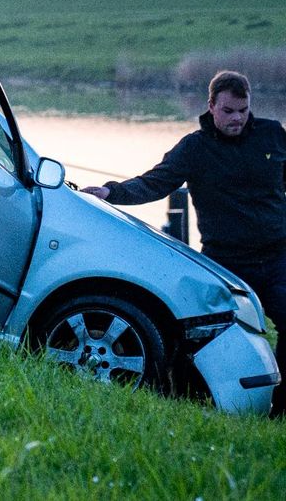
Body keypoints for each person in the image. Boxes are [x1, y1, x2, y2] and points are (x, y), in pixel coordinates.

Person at [83, 71, 286, 417]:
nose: (237, 118)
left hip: (278, 256)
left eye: (243, 109)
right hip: (226, 263)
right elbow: (155, 182)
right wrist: (110, 192)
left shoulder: (272, 135)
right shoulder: (194, 148)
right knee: (205, 334)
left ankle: (279, 411)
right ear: (211, 106)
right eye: (228, 111)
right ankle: (192, 402)